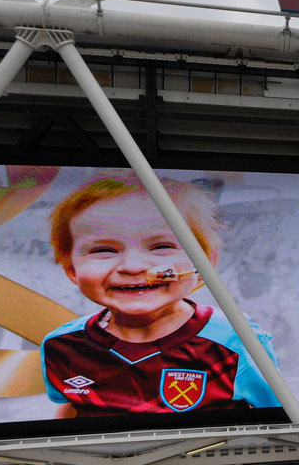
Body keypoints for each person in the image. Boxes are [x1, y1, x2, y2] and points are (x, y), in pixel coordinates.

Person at [40, 175, 281, 417]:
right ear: (71, 269)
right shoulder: (61, 345)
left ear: (205, 262)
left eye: (161, 246)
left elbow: (277, 418)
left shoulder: (239, 342)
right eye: (103, 250)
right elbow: (71, 409)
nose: (133, 266)